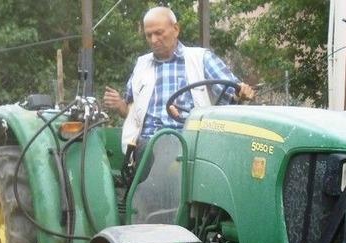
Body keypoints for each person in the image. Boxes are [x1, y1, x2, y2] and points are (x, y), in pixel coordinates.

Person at [102, 6, 254, 154]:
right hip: (148, 146)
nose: (154, 40)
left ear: (176, 29)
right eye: (149, 35)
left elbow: (232, 94)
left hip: (190, 144)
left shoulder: (201, 58)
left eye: (159, 33)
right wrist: (119, 105)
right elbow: (131, 113)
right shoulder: (141, 65)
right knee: (147, 153)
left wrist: (242, 93)